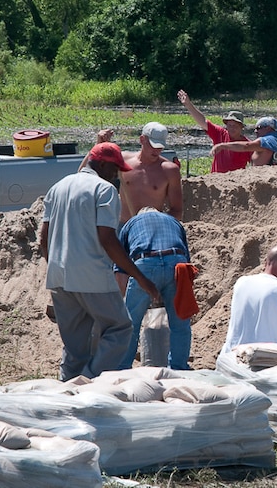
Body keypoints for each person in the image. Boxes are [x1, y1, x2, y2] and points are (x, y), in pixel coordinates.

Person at [41, 142, 162, 381]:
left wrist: (55, 264)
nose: (116, 175)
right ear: (102, 164)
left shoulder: (58, 187)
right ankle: (88, 382)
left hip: (58, 277)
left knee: (75, 348)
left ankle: (67, 393)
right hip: (91, 275)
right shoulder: (103, 190)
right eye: (114, 168)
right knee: (120, 328)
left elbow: (43, 239)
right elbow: (107, 239)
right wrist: (139, 277)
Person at [116, 207, 193, 370]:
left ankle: (122, 367)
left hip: (145, 263)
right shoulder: (173, 222)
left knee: (131, 323)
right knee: (180, 323)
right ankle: (179, 368)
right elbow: (187, 260)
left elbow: (121, 269)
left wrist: (122, 302)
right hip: (176, 262)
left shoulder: (130, 224)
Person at [80, 122, 183, 224]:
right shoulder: (124, 160)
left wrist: (158, 224)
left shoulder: (169, 170)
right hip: (122, 225)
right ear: (142, 139)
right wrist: (98, 145)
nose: (156, 150)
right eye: (153, 145)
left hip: (150, 227)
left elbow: (177, 210)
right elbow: (82, 174)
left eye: (160, 147)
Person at [176, 89, 253, 173]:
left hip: (236, 182)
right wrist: (188, 105)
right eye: (229, 125)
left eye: (235, 126)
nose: (232, 128)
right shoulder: (220, 134)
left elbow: (256, 163)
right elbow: (203, 121)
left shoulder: (247, 144)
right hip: (216, 180)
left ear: (241, 127)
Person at [211, 116, 277, 166]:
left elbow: (246, 146)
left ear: (268, 128)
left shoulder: (265, 140)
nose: (255, 131)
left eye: (258, 128)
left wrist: (222, 146)